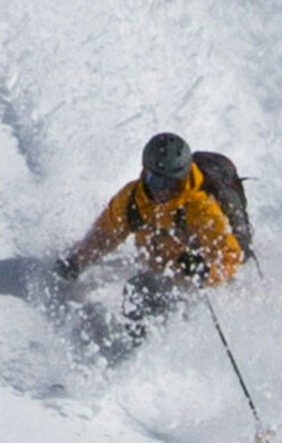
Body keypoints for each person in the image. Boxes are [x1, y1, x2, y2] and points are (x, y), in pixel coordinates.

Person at [55, 131, 244, 351]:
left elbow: (231, 258)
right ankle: (141, 352)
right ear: (145, 172)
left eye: (172, 184)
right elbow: (106, 233)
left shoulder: (200, 208)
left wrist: (204, 270)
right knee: (144, 290)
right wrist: (78, 260)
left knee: (141, 290)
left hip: (196, 285)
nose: (163, 190)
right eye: (157, 180)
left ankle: (144, 356)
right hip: (160, 271)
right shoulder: (132, 199)